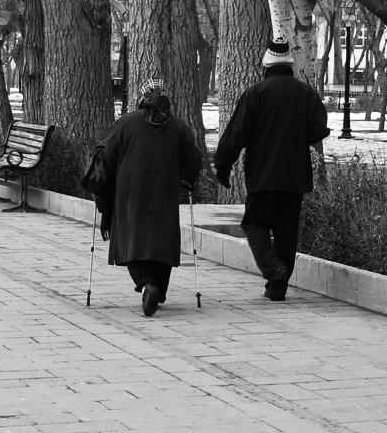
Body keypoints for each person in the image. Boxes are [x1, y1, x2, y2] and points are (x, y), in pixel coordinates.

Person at [213, 35, 330, 301]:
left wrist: (223, 165)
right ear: (289, 66)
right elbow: (319, 130)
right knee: (286, 231)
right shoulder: (307, 94)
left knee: (255, 223)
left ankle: (272, 268)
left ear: (266, 66)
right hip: (295, 176)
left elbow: (236, 133)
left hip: (263, 174)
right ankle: (278, 287)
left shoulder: (256, 93)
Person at [101, 79, 202, 317]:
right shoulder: (179, 126)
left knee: (132, 238)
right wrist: (189, 180)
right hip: (165, 191)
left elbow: (108, 157)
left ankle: (148, 284)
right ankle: (159, 290)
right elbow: (193, 160)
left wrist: (104, 185)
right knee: (162, 238)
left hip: (130, 192)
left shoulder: (126, 122)